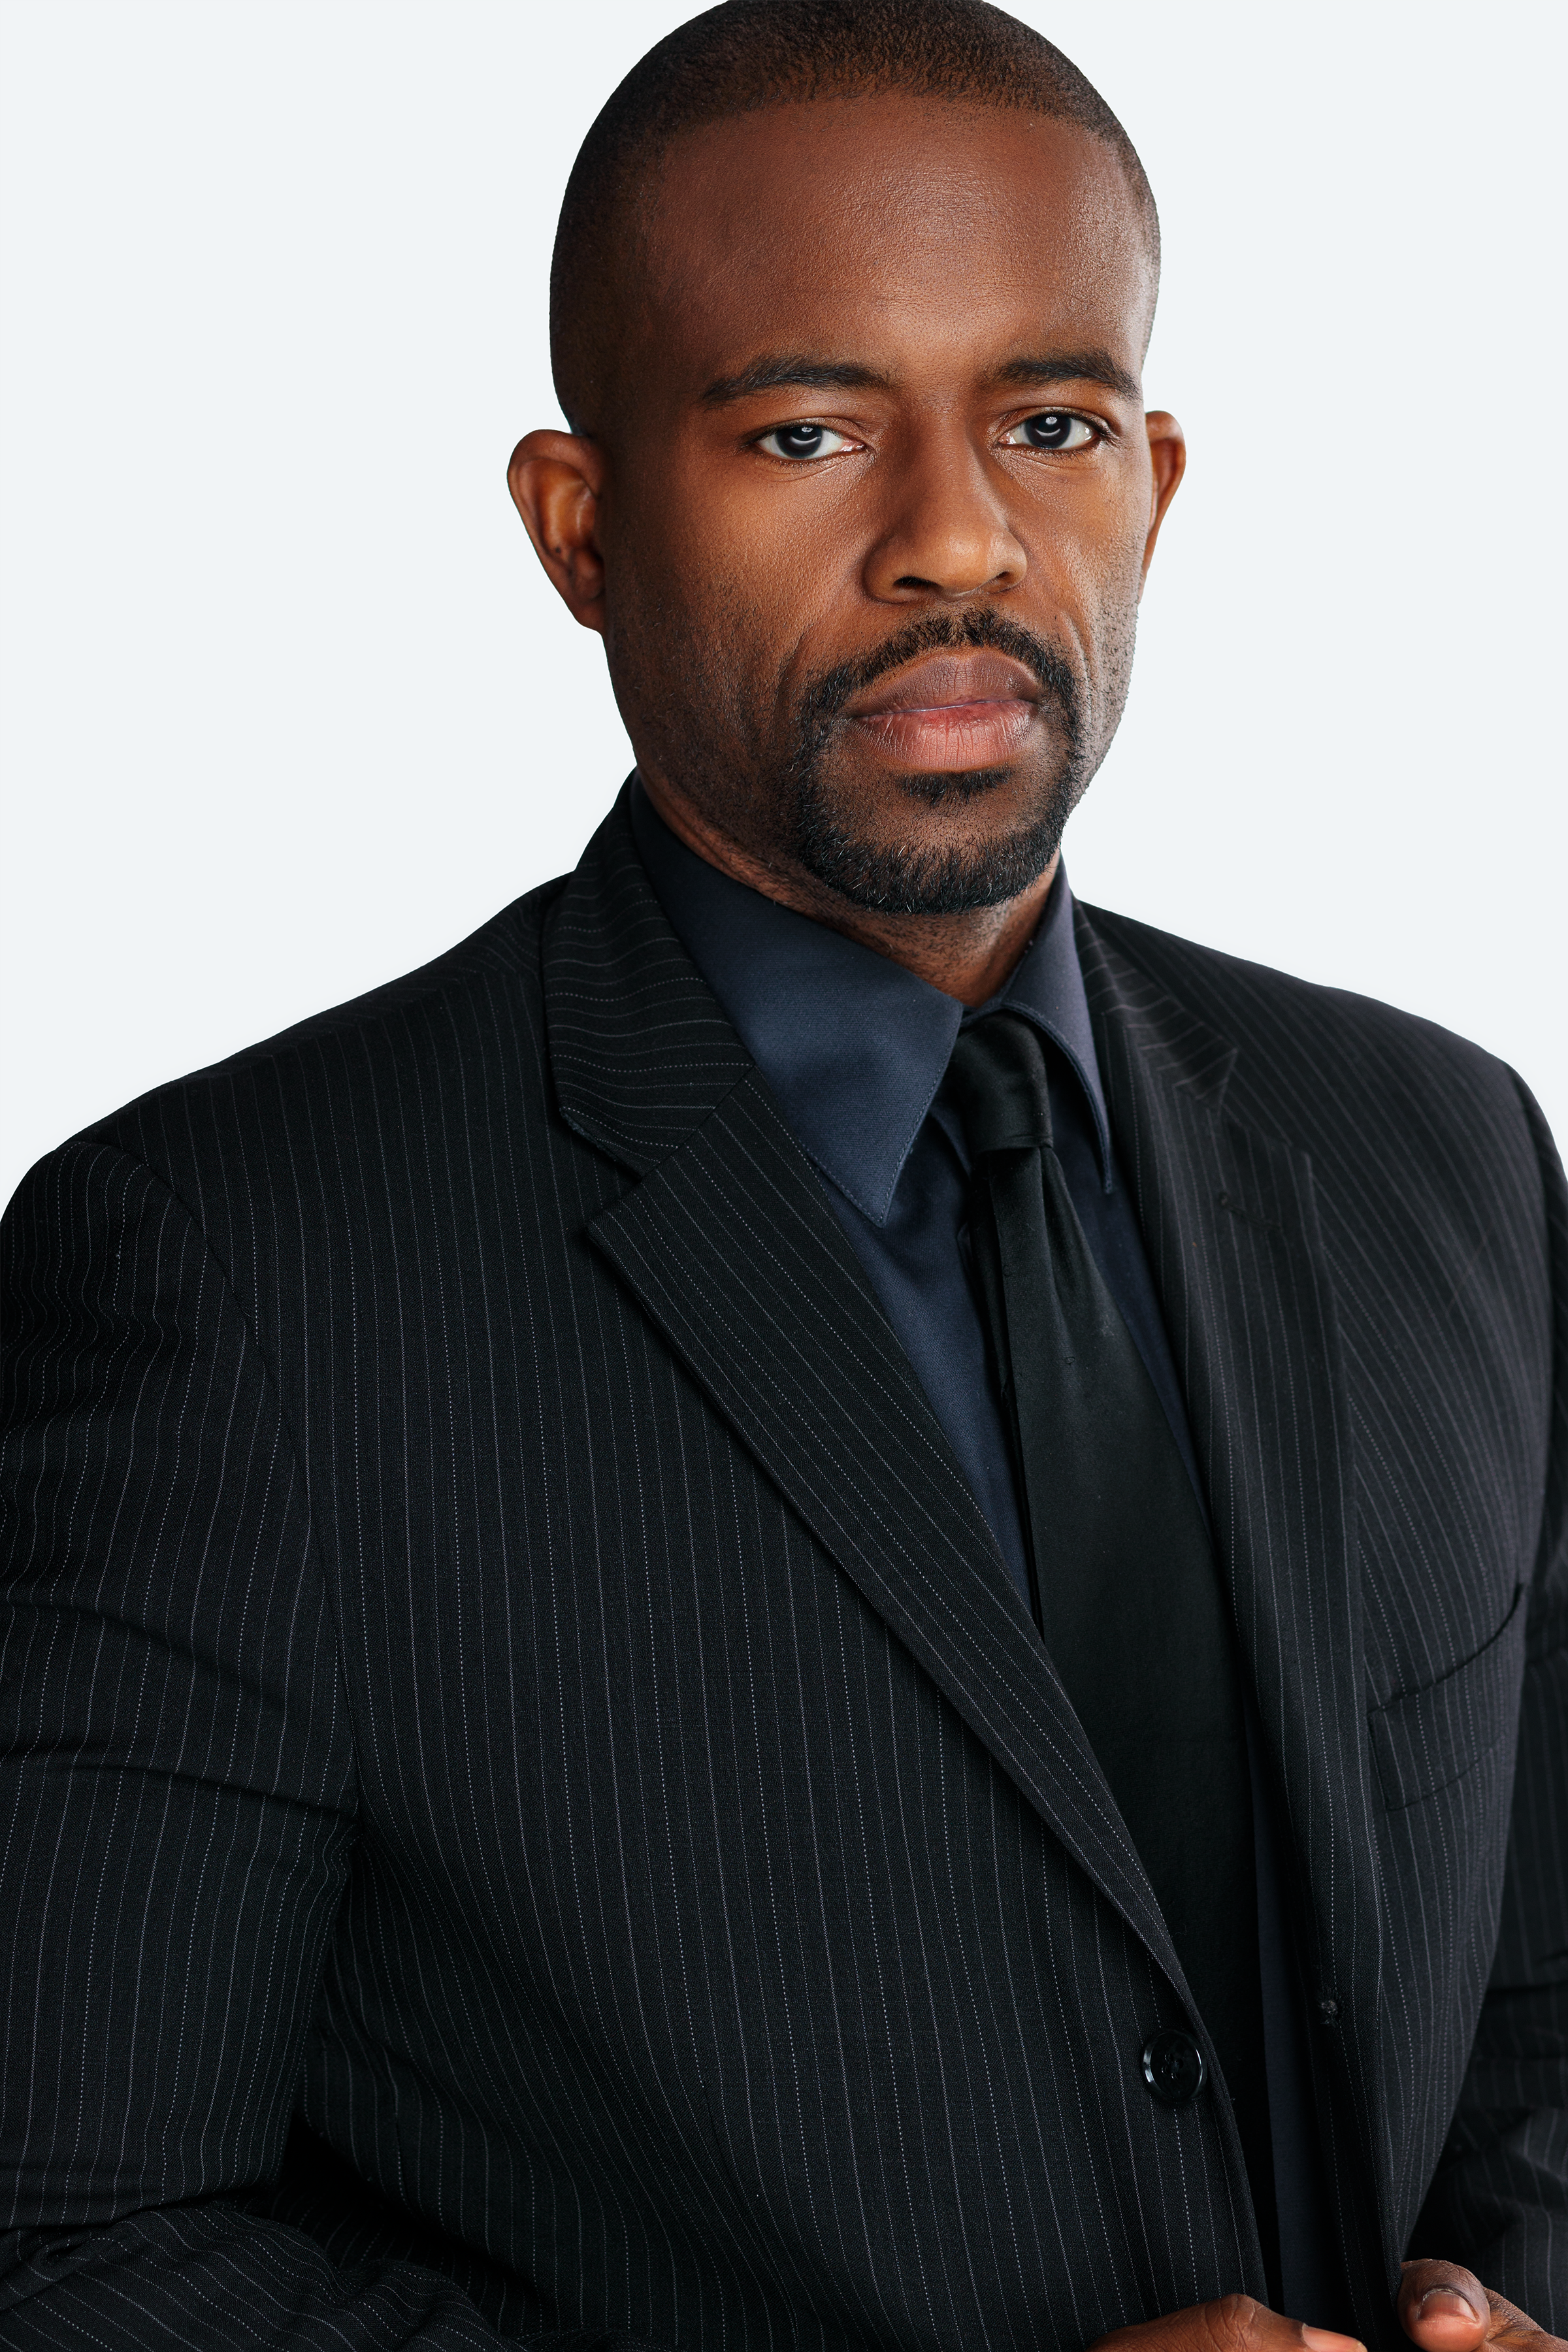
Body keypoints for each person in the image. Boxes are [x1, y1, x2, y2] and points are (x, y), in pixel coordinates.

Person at [1, 3, 1563, 2348]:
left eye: (1047, 424)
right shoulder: (225, 1270)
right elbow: (72, 2249)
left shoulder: (1440, 1140)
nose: (958, 538)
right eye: (809, 429)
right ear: (583, 523)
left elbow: (1539, 1981)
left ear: (1152, 479)